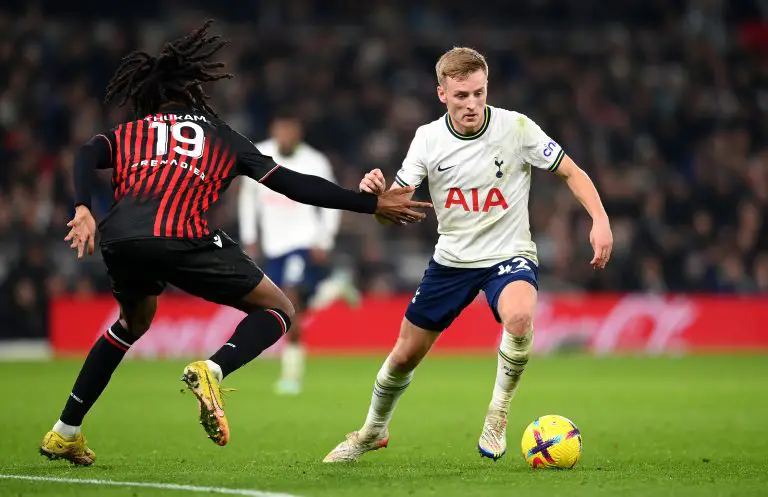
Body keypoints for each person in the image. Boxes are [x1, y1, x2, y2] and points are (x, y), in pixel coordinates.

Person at [39, 19, 431, 466]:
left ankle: (65, 430)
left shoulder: (135, 131)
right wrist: (369, 204)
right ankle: (213, 368)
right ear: (194, 94)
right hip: (182, 235)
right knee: (280, 310)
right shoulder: (220, 136)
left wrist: (82, 207)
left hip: (121, 237)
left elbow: (87, 151)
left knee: (131, 325)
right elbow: (294, 185)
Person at [323, 47, 613, 463]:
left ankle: (497, 415)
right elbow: (394, 214)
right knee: (404, 355)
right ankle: (372, 430)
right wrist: (376, 198)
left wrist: (599, 220)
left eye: (479, 93)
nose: (472, 104)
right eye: (462, 96)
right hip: (452, 261)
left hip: (507, 254)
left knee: (518, 316)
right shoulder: (427, 138)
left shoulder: (516, 127)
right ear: (442, 93)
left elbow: (571, 170)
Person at [239, 113, 353, 395]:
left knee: (289, 304)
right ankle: (333, 288)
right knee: (286, 306)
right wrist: (250, 237)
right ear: (273, 131)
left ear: (298, 133)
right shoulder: (260, 154)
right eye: (280, 131)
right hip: (274, 245)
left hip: (303, 240)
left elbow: (331, 200)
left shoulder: (314, 162)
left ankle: (291, 377)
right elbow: (247, 197)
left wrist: (324, 240)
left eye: (290, 131)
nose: (284, 137)